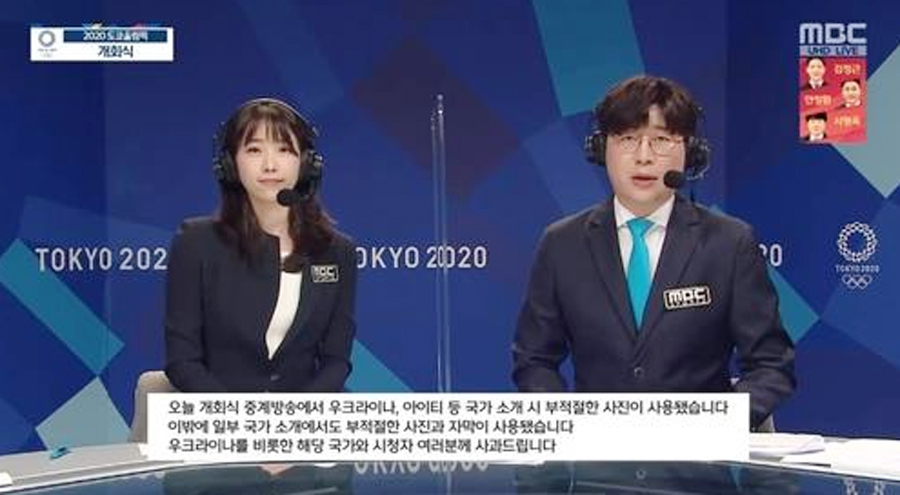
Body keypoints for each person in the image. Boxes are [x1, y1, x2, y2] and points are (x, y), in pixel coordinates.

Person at [512, 76, 795, 430]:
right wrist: (570, 427)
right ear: (602, 149)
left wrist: (716, 426)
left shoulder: (729, 243)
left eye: (661, 140)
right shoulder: (562, 244)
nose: (643, 157)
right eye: (628, 139)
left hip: (700, 458)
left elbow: (771, 365)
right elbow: (534, 361)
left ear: (689, 152)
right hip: (597, 457)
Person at [165, 98, 358, 393]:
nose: (270, 165)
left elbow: (336, 361)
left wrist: (296, 414)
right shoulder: (196, 243)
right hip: (217, 415)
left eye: (284, 150)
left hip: (303, 417)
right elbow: (182, 361)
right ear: (230, 164)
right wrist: (242, 416)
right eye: (254, 150)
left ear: (306, 163)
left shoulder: (337, 251)